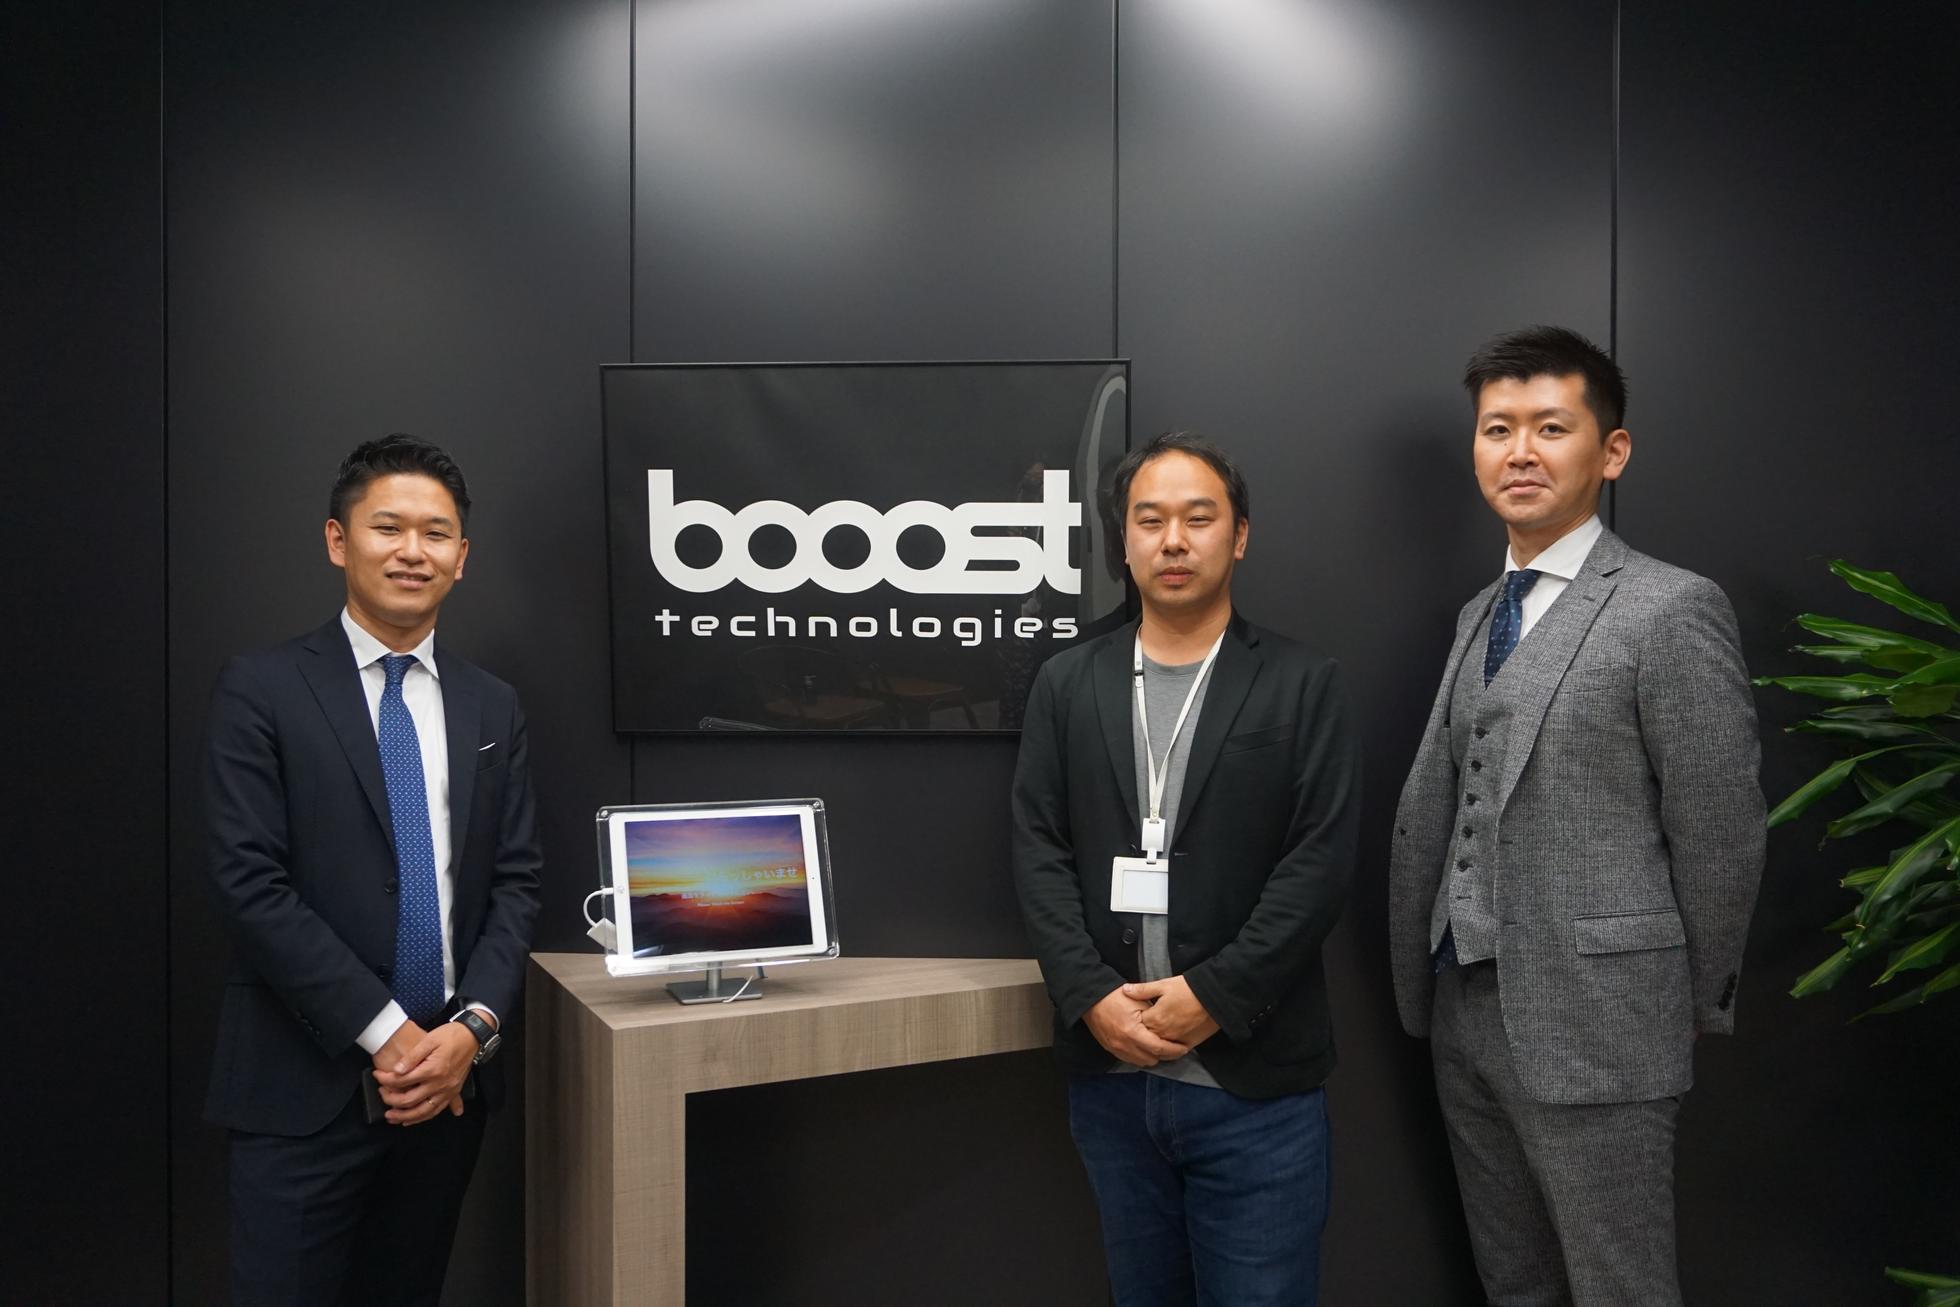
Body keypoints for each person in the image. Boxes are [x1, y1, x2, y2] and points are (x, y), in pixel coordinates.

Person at [1388, 327, 1765, 1305]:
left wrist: (1678, 1001)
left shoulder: (1669, 608)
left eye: (1550, 427)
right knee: (1513, 1283)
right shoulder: (1480, 611)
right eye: (1497, 428)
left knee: (1618, 1289)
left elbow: (1720, 829)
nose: (1519, 451)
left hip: (1602, 1020)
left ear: (1612, 450)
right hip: (1464, 1008)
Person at [1012, 430, 1361, 1306]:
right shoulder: (1066, 682)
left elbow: (1318, 863)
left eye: (1199, 518)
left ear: (1238, 535)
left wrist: (1214, 993)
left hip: (1256, 1085)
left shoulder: (1302, 682)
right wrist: (1090, 995)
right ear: (1123, 540)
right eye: (1150, 519)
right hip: (1112, 1084)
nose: (1174, 540)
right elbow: (1039, 848)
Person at [202, 434, 544, 1307]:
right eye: (388, 527)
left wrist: (472, 1030)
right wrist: (391, 1033)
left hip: (448, 1091)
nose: (412, 550)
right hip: (300, 1088)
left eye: (436, 533)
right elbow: (249, 882)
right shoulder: (262, 688)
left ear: (462, 557)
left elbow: (516, 883)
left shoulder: (491, 704)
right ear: (337, 539)